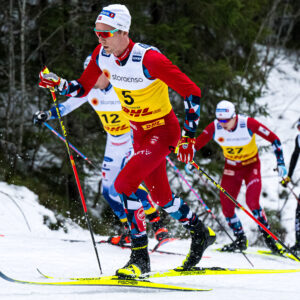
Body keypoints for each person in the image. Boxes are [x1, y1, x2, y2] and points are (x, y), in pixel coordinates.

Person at [38, 4, 216, 278]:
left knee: (123, 184)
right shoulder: (102, 54)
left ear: (123, 32)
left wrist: (189, 137)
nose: (100, 39)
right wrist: (59, 83)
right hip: (139, 132)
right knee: (161, 197)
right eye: (97, 33)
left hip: (162, 130)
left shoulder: (148, 59)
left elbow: (192, 92)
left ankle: (140, 258)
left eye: (106, 33)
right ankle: (200, 232)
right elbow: (82, 88)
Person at [33, 55, 171, 246]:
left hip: (131, 139)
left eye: (93, 75)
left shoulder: (121, 88)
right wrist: (47, 114)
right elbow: (65, 106)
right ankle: (130, 229)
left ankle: (158, 224)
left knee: (129, 182)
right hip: (113, 141)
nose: (89, 80)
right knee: (109, 191)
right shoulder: (89, 91)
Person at [190, 100, 287, 253]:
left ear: (234, 116)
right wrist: (189, 158)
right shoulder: (215, 126)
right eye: (219, 120)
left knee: (252, 202)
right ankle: (240, 239)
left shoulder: (247, 123)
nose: (222, 124)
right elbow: (195, 145)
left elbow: (274, 139)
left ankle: (270, 240)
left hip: (251, 166)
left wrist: (281, 162)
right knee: (227, 207)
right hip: (231, 168)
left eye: (226, 120)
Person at [281, 118, 300, 254]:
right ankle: (299, 243)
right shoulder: (299, 138)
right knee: (299, 210)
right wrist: (288, 176)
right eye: (299, 128)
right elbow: (295, 157)